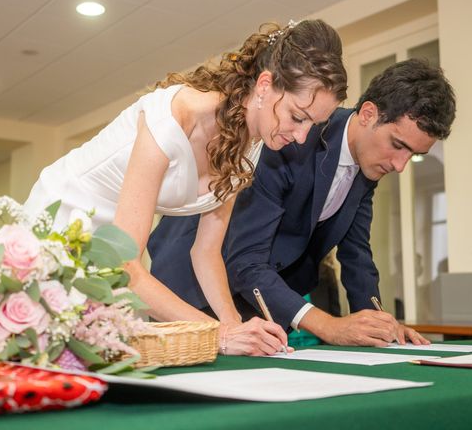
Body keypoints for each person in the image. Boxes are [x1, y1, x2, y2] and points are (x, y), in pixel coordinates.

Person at [24, 19, 348, 356]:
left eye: (314, 125)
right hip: (65, 222)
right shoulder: (172, 120)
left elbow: (206, 252)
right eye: (298, 117)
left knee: (104, 358)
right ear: (265, 84)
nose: (301, 136)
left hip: (119, 251)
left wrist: (232, 322)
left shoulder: (250, 144)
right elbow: (125, 266)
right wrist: (217, 336)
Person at [149, 59, 456, 347]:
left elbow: (357, 254)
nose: (401, 165)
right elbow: (245, 260)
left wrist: (379, 325)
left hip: (258, 298)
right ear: (368, 114)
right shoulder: (293, 135)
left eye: (412, 154)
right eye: (398, 145)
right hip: (192, 285)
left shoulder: (368, 164)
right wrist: (330, 325)